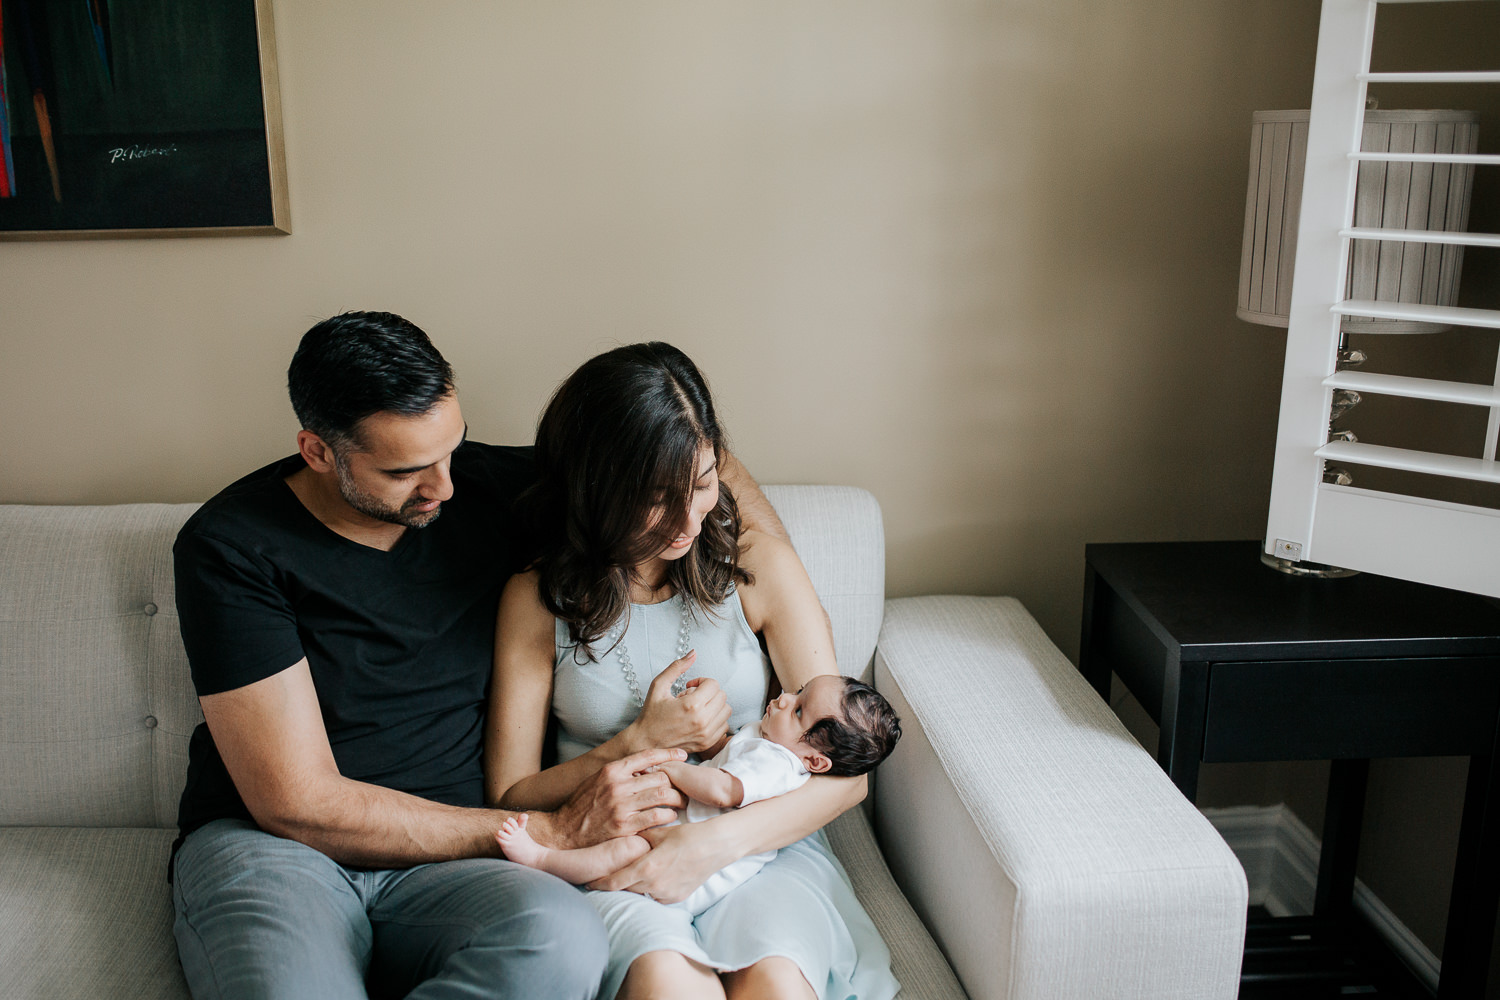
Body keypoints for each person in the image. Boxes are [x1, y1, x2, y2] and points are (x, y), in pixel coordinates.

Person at [168, 312, 787, 1000]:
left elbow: (696, 456)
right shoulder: (232, 547)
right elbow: (297, 802)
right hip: (278, 852)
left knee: (562, 941)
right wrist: (549, 826)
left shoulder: (487, 485)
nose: (445, 488)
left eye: (451, 450)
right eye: (406, 470)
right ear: (318, 452)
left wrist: (776, 564)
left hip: (457, 864)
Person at [487, 341, 902, 1000]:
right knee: (668, 988)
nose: (687, 521)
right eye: (657, 497)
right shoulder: (536, 600)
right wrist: (634, 746)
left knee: (775, 985)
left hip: (764, 849)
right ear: (599, 489)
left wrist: (714, 845)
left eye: (703, 483)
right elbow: (510, 797)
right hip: (620, 850)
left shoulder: (759, 564)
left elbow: (848, 776)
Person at [495, 674, 901, 916]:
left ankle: (545, 860)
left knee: (623, 852)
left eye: (798, 710)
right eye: (797, 691)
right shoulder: (768, 741)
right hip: (680, 838)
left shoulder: (777, 763)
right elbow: (725, 752)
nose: (783, 698)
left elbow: (723, 789)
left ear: (814, 762)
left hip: (692, 873)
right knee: (622, 841)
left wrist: (674, 767)